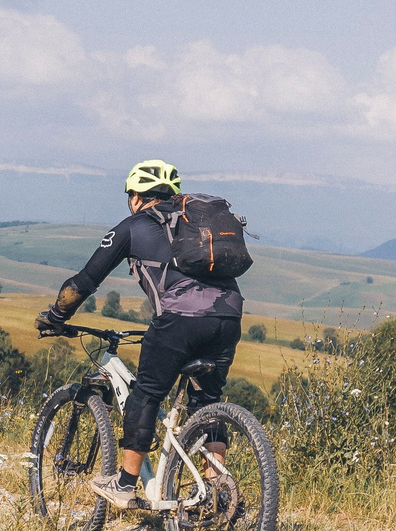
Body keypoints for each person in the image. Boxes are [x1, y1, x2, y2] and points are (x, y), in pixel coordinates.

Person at [36, 159, 243, 511]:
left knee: (145, 394)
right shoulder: (196, 224)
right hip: (229, 316)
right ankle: (216, 488)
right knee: (207, 402)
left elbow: (84, 281)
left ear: (135, 197)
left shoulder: (133, 226)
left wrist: (55, 316)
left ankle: (125, 484)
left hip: (180, 320)